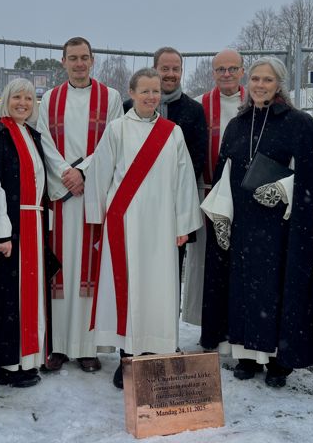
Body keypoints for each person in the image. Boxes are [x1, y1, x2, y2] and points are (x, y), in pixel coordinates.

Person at [200, 56, 313, 388]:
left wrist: (282, 188)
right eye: (255, 79)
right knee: (241, 288)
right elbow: (224, 172)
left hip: (279, 226)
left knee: (275, 289)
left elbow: (310, 176)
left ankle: (279, 361)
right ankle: (247, 356)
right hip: (242, 222)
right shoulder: (237, 125)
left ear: (279, 84)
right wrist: (221, 215)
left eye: (267, 80)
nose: (260, 85)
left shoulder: (299, 123)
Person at [86, 68, 202, 388]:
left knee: (160, 289)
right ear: (132, 92)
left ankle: (159, 353)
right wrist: (97, 217)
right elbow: (100, 174)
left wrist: (183, 225)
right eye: (145, 91)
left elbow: (183, 181)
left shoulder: (172, 132)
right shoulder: (117, 130)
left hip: (163, 223)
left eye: (156, 91)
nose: (151, 97)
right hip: (125, 222)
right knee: (129, 287)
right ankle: (129, 357)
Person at [35, 37, 123, 373]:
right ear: (63, 62)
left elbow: (111, 142)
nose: (79, 63)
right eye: (73, 58)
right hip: (61, 197)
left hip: (92, 194)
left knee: (90, 271)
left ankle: (87, 347)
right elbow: (43, 140)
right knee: (62, 270)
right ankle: (58, 346)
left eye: (84, 57)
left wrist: (84, 173)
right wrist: (64, 173)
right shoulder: (50, 100)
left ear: (93, 59)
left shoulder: (110, 98)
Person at [0, 78, 55, 389]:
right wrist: (1, 233)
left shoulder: (31, 133)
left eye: (29, 99)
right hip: (12, 228)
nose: (23, 104)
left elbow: (39, 180)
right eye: (17, 97)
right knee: (8, 298)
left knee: (29, 296)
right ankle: (9, 362)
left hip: (33, 222)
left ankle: (28, 359)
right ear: (6, 99)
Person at [121, 47, 208, 329]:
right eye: (165, 69)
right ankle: (136, 334)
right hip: (136, 208)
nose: (170, 75)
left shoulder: (194, 111)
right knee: (138, 273)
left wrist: (169, 200)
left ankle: (165, 334)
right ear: (154, 69)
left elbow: (194, 161)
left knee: (170, 275)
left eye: (176, 69)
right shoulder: (126, 109)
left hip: (173, 209)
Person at [191, 49, 246, 346]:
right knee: (209, 266)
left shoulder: (255, 101)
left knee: (241, 264)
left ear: (242, 71)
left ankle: (238, 326)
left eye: (232, 68)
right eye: (220, 69)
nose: (226, 74)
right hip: (210, 191)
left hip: (246, 197)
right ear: (213, 73)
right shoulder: (202, 104)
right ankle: (210, 327)